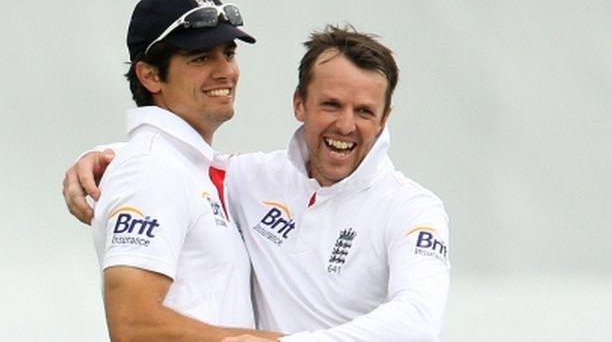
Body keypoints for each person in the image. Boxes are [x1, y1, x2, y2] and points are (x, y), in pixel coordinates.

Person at [64, 24, 450, 342]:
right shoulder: (253, 179)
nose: (346, 126)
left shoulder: (412, 208)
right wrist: (104, 157)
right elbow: (172, 160)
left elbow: (417, 321)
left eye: (365, 111)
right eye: (331, 105)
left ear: (384, 120)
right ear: (299, 104)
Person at [82, 0, 282, 341]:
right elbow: (132, 326)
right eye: (201, 57)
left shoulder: (176, 165)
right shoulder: (151, 169)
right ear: (150, 76)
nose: (225, 71)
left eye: (229, 53)